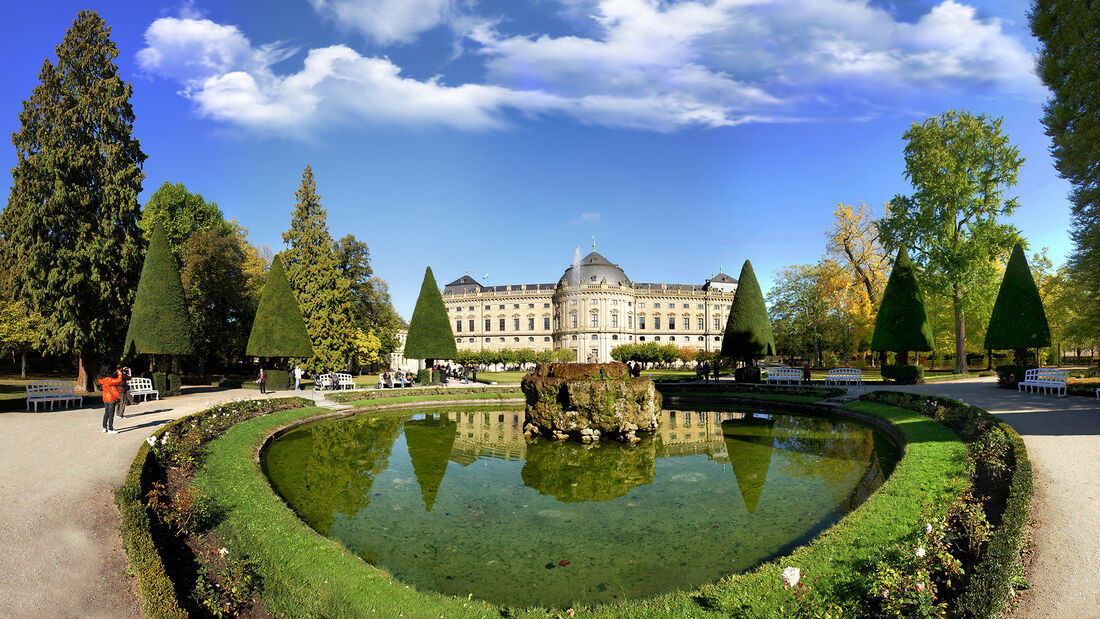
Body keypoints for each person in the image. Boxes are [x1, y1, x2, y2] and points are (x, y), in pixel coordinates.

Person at [97, 365, 123, 434]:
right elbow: (118, 381)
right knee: (111, 414)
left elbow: (113, 380)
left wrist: (115, 374)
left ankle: (104, 427)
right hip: (111, 398)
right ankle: (110, 429)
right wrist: (120, 374)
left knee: (106, 413)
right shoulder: (109, 380)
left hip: (105, 398)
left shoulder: (101, 379)